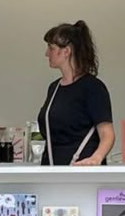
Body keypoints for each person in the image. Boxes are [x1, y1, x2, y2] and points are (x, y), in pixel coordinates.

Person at [38, 20, 114, 165]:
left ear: (66, 51)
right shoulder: (54, 88)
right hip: (52, 171)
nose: (47, 53)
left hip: (81, 174)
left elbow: (107, 134)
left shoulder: (93, 88)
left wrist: (96, 158)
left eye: (51, 48)